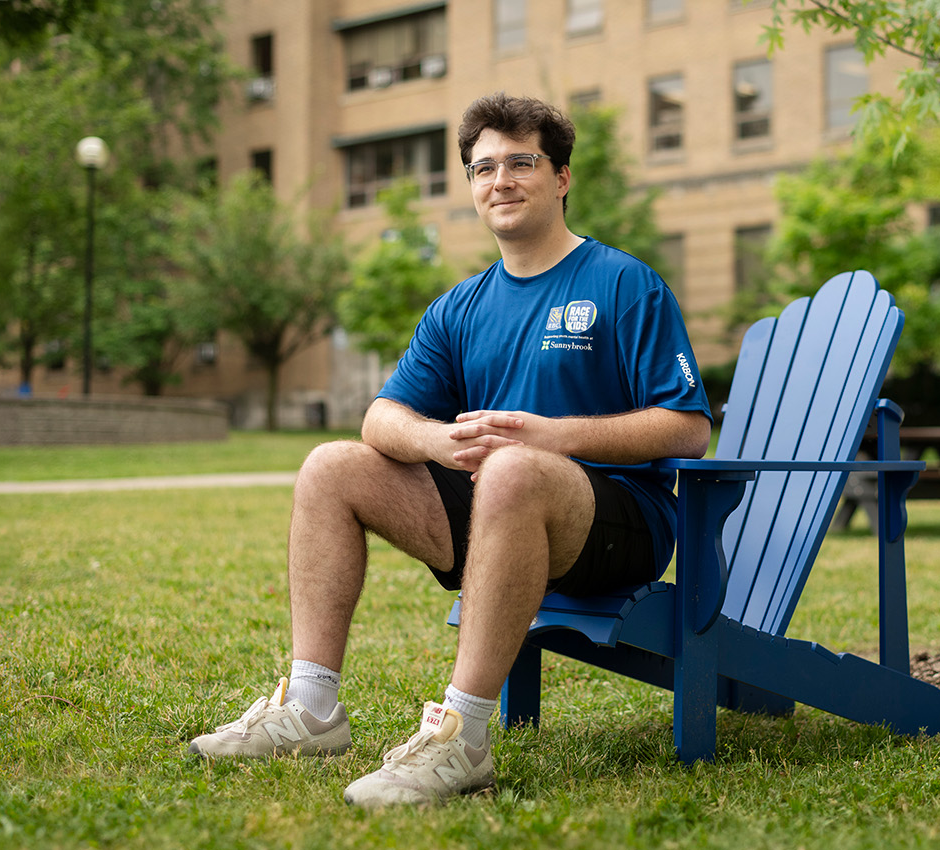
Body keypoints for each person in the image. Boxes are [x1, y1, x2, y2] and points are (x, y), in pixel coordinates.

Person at [187, 93, 711, 809]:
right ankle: (310, 709)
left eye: (521, 162)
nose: (501, 180)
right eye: (483, 167)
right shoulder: (459, 307)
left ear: (561, 177)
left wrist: (552, 435)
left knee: (517, 467)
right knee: (330, 465)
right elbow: (382, 416)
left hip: (618, 519)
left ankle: (460, 737)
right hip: (498, 506)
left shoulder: (624, 284)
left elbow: (686, 426)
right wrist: (436, 440)